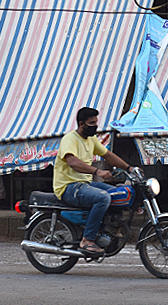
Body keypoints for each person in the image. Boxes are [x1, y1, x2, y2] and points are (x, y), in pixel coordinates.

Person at [53, 107, 133, 254]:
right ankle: (87, 240)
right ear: (81, 123)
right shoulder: (69, 139)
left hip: (85, 184)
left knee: (121, 192)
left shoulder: (91, 139)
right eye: (92, 123)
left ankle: (108, 230)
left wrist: (129, 168)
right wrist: (97, 171)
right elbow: (73, 162)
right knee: (103, 198)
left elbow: (108, 155)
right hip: (68, 187)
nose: (95, 125)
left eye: (96, 122)